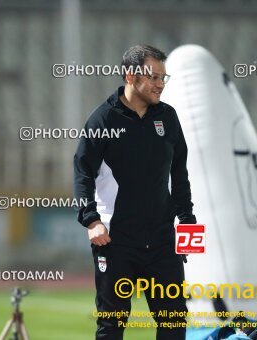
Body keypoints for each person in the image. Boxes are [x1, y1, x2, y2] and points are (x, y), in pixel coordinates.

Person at [73, 44, 197, 340]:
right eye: (153, 77)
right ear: (130, 76)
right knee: (112, 326)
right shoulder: (102, 121)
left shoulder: (168, 117)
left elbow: (179, 172)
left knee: (174, 322)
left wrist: (187, 219)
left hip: (162, 240)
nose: (159, 84)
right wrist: (91, 220)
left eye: (163, 78)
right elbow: (82, 173)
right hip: (116, 241)